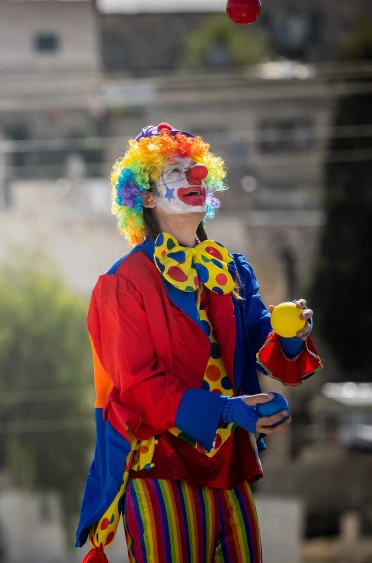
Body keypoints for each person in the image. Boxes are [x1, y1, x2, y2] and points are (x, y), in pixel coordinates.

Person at [74, 123, 323, 562]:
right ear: (146, 197)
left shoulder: (230, 268)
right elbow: (140, 388)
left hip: (229, 469)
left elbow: (264, 346)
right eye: (176, 171)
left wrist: (289, 337)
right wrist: (228, 409)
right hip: (161, 469)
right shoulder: (122, 284)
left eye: (198, 169)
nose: (196, 178)